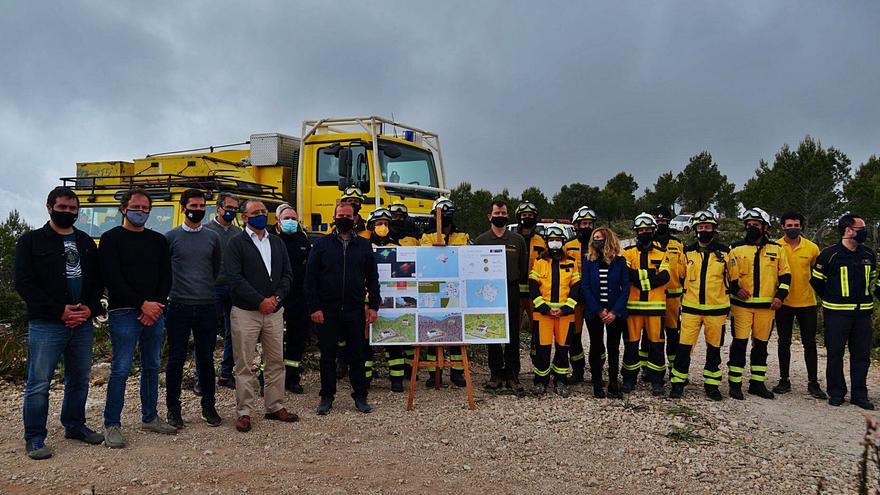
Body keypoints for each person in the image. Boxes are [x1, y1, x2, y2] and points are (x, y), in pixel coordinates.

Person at [15, 186, 104, 460]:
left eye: (73, 209)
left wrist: (88, 308)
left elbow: (97, 280)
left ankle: (74, 426)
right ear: (49, 207)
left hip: (82, 322)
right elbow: (23, 283)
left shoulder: (86, 242)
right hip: (47, 323)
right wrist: (59, 311)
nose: (68, 212)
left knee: (79, 379)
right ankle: (34, 437)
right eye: (63, 208)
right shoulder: (30, 241)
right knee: (39, 382)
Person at [99, 187, 176, 448]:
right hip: (123, 312)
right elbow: (112, 278)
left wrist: (156, 305)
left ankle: (150, 416)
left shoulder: (158, 241)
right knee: (121, 369)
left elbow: (166, 276)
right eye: (136, 207)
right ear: (123, 209)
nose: (141, 212)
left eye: (145, 208)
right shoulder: (110, 239)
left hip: (155, 313)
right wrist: (141, 304)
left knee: (152, 366)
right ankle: (112, 424)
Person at [225, 199, 298, 432]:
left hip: (274, 312)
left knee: (275, 361)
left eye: (264, 212)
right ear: (245, 217)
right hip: (246, 312)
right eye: (255, 212)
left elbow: (287, 274)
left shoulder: (276, 242)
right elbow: (235, 278)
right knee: (245, 364)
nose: (260, 215)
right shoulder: (236, 243)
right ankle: (244, 412)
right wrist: (259, 300)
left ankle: (275, 406)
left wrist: (276, 298)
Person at [305, 202, 381, 415]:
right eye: (340, 215)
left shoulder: (364, 246)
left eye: (348, 215)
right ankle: (327, 397)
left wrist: (374, 306)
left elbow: (372, 279)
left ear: (355, 218)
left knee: (356, 355)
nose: (344, 219)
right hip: (327, 310)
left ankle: (360, 397)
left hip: (354, 309)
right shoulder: (322, 244)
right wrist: (314, 307)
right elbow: (310, 278)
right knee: (328, 356)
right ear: (334, 217)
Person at [163, 189, 222, 429]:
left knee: (206, 359)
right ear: (183, 206)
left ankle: (209, 406)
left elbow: (215, 268)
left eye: (201, 206)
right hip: (178, 306)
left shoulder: (212, 238)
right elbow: (164, 270)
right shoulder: (171, 237)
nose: (198, 210)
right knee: (176, 359)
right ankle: (173, 410)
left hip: (206, 305)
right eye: (194, 205)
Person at [811, 214, 879, 410]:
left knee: (861, 356)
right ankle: (836, 392)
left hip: (863, 315)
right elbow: (817, 281)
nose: (864, 231)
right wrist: (832, 299)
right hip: (837, 315)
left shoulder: (868, 254)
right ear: (848, 230)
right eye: (861, 228)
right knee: (835, 354)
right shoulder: (829, 254)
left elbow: (872, 278)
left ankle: (860, 395)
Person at [727, 207, 791, 400]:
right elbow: (727, 276)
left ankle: (757, 383)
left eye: (755, 224)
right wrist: (736, 289)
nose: (751, 227)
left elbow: (786, 276)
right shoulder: (735, 248)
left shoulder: (777, 249)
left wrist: (780, 296)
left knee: (761, 346)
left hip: (766, 308)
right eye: (749, 224)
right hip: (741, 307)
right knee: (739, 345)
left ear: (764, 227)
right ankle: (735, 384)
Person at [668, 211, 730, 401]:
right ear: (695, 230)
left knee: (714, 350)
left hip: (716, 310)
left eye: (707, 227)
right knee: (684, 349)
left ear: (714, 229)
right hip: (691, 309)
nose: (704, 231)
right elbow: (679, 275)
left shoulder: (726, 252)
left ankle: (712, 386)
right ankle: (678, 384)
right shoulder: (687, 252)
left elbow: (733, 278)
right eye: (700, 228)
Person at [475, 200, 528, 392]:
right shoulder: (481, 240)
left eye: (503, 213)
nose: (500, 216)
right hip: (488, 293)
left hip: (511, 290)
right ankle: (496, 374)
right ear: (489, 216)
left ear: (508, 216)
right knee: (492, 332)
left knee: (513, 333)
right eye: (496, 213)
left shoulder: (517, 240)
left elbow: (523, 268)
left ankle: (513, 375)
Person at [772, 212, 826, 399]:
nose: (792, 228)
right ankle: (784, 379)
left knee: (810, 344)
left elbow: (818, 273)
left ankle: (813, 383)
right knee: (783, 342)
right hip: (784, 303)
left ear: (801, 227)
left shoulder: (812, 248)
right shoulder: (776, 246)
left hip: (807, 303)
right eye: (789, 225)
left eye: (796, 225)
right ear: (782, 226)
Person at [419, 196, 470, 387]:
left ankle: (457, 373)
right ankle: (434, 374)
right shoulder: (426, 237)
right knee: (434, 332)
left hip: (457, 290)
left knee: (456, 332)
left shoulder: (463, 236)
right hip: (433, 290)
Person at [528, 224, 581, 397]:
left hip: (565, 315)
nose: (555, 243)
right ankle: (540, 381)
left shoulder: (571, 263)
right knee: (542, 348)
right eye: (551, 240)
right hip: (543, 314)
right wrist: (543, 307)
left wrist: (566, 308)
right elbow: (533, 286)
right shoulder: (540, 262)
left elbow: (576, 287)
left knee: (563, 348)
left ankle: (561, 380)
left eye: (558, 240)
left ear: (563, 242)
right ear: (546, 242)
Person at [621, 213, 670, 396]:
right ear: (636, 232)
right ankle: (629, 379)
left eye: (648, 230)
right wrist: (651, 275)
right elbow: (626, 275)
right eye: (641, 230)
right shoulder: (628, 252)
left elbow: (665, 277)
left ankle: (657, 381)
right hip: (633, 309)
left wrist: (640, 278)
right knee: (631, 346)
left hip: (655, 310)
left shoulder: (662, 253)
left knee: (657, 346)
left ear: (653, 231)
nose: (644, 233)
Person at [363, 208, 408, 392]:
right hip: (366, 301)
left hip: (391, 301)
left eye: (386, 224)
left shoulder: (398, 248)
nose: (382, 227)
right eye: (378, 224)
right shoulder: (363, 246)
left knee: (393, 340)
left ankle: (397, 379)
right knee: (365, 343)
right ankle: (364, 380)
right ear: (371, 226)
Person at [581, 227, 629, 398]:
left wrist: (614, 312)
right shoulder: (588, 261)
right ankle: (597, 383)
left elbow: (625, 289)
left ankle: (614, 383)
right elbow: (585, 287)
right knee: (596, 346)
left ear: (607, 240)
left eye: (600, 237)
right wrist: (599, 310)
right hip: (595, 312)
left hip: (615, 312)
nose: (596, 240)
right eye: (595, 238)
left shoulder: (620, 262)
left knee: (614, 347)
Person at [203, 192, 242, 390]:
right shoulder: (206, 231)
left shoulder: (237, 233)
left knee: (234, 333)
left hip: (234, 289)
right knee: (207, 333)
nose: (231, 212)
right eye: (228, 208)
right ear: (218, 208)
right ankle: (202, 379)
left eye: (235, 209)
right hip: (213, 289)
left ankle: (226, 374)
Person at [273, 203, 312, 394]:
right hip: (278, 298)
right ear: (278, 221)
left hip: (300, 299)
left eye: (293, 219)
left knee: (297, 339)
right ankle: (269, 380)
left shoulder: (304, 241)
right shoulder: (272, 241)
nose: (290, 222)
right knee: (273, 341)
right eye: (286, 218)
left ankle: (292, 377)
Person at [649, 205, 685, 377]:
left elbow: (685, 270)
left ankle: (673, 368)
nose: (661, 223)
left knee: (672, 333)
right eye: (658, 220)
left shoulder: (677, 244)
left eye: (664, 220)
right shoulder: (648, 242)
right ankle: (647, 369)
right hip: (652, 297)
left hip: (672, 298)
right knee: (650, 334)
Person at [565, 205, 596, 383]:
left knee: (596, 337)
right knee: (574, 336)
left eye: (589, 223)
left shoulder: (600, 246)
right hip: (575, 299)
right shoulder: (568, 246)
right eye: (583, 223)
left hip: (594, 300)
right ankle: (577, 371)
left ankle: (597, 371)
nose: (586, 227)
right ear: (576, 225)